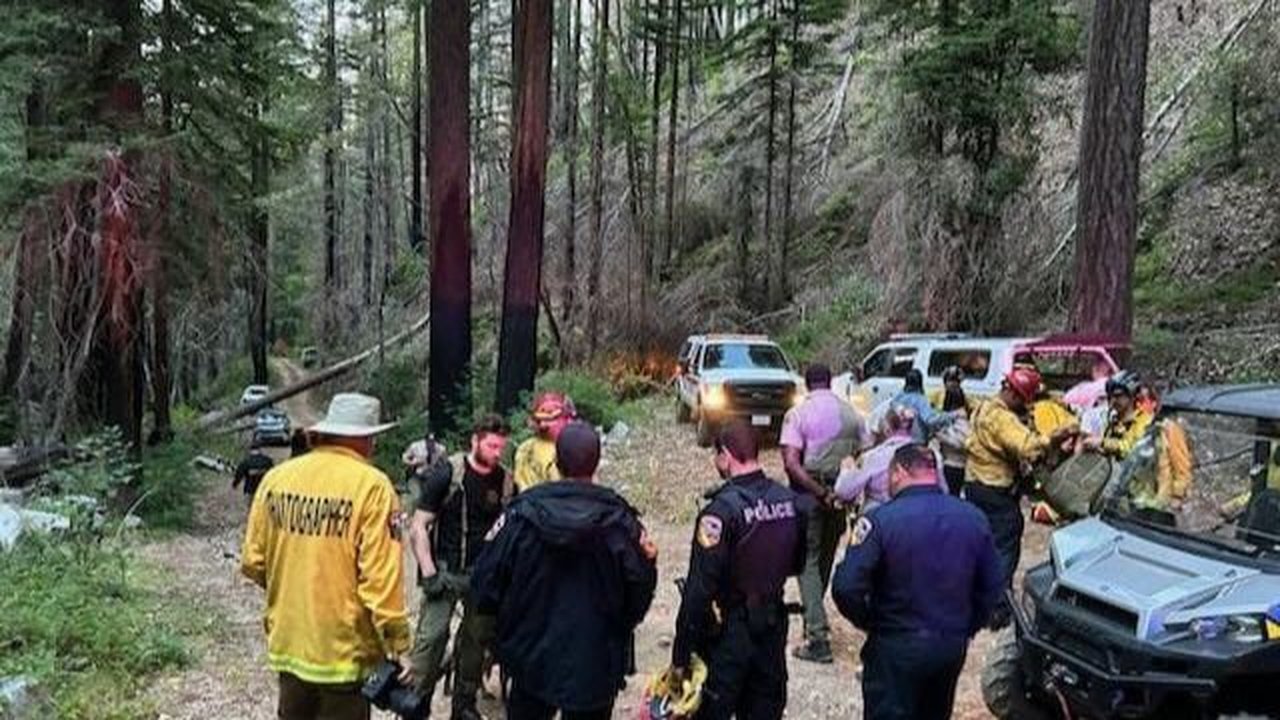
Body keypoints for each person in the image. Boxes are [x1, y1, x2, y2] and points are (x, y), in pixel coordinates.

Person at [241, 392, 411, 720]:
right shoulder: (372, 487)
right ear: (365, 440)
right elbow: (380, 580)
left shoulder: (276, 479)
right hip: (344, 654)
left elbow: (253, 562)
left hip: (289, 645)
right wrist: (398, 642)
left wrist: (294, 592)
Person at [471, 422, 657, 720]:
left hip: (531, 656)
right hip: (594, 658)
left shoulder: (520, 516)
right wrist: (619, 625)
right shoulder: (622, 522)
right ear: (596, 462)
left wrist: (507, 628)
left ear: (556, 462)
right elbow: (642, 584)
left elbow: (485, 581)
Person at [831, 444, 1003, 720]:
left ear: (898, 472)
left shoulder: (881, 520)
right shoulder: (973, 518)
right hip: (949, 644)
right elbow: (993, 585)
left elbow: (846, 586)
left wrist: (870, 621)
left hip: (896, 643)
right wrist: (967, 626)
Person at [671, 422, 806, 720]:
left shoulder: (719, 513)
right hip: (772, 625)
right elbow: (797, 564)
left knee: (714, 708)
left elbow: (699, 590)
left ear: (726, 456)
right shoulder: (790, 501)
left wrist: (681, 655)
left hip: (728, 632)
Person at [407, 415, 512, 720]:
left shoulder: (506, 480)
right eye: (491, 445)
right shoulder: (448, 473)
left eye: (500, 447)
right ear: (475, 440)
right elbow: (419, 526)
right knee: (431, 638)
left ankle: (464, 703)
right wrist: (429, 573)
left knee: (475, 642)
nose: (496, 453)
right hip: (446, 570)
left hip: (484, 576)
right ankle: (416, 702)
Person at [964, 366, 1076, 627]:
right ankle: (998, 608)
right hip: (995, 490)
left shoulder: (983, 407)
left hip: (976, 487)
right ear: (1015, 395)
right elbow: (1026, 446)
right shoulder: (1002, 418)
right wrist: (1054, 437)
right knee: (1004, 546)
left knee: (982, 545)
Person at [780, 363, 867, 664]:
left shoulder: (798, 414)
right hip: (840, 494)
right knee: (826, 556)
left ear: (807, 383)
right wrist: (842, 491)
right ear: (829, 382)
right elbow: (864, 455)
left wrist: (819, 493)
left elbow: (791, 463)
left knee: (808, 560)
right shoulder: (852, 414)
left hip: (809, 495)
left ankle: (817, 636)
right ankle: (813, 618)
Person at [834, 407, 941, 512]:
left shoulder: (873, 457)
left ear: (887, 429)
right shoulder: (931, 455)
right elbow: (943, 490)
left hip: (879, 516)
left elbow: (844, 491)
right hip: (920, 515)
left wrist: (847, 469)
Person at [511, 392, 576, 492]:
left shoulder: (574, 447)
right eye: (539, 420)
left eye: (551, 419)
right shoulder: (525, 448)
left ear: (567, 419)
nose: (544, 425)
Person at [1083, 371, 1153, 460]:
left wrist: (1102, 442)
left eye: (1118, 396)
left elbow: (1133, 448)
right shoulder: (1113, 421)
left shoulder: (1144, 421)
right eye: (1110, 397)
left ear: (1131, 395)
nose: (1113, 401)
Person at [887, 369, 952, 443]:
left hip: (895, 437)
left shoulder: (898, 397)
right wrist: (948, 416)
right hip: (916, 441)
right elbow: (930, 420)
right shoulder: (920, 400)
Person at [934, 367, 971, 496]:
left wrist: (941, 435)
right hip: (950, 461)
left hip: (954, 463)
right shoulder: (950, 396)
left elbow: (962, 442)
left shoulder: (958, 413)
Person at [233, 439, 275, 506]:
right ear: (260, 449)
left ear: (250, 450)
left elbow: (239, 474)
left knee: (251, 508)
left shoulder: (245, 462)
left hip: (250, 490)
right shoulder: (267, 461)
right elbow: (273, 474)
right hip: (263, 489)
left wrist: (235, 484)